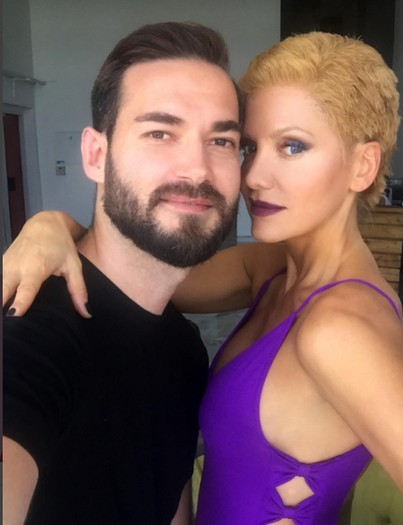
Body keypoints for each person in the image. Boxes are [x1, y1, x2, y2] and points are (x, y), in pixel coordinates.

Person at [3, 32, 403, 524]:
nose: (254, 177)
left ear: (363, 165)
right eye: (247, 147)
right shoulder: (272, 269)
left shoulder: (341, 327)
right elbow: (139, 273)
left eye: (293, 146)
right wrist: (52, 225)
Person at [2, 22, 244, 524]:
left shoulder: (183, 347)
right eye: (160, 133)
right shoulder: (28, 336)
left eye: (221, 140)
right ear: (96, 155)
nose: (197, 169)